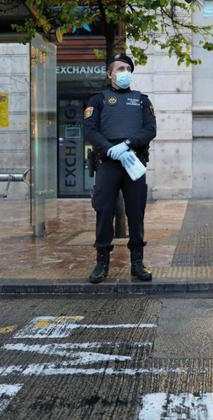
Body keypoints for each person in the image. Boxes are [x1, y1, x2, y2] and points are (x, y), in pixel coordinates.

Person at [84, 53, 156, 283]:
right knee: (104, 211)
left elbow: (150, 129)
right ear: (109, 74)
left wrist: (127, 144)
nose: (124, 72)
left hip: (133, 162)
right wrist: (108, 148)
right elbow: (90, 129)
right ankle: (102, 262)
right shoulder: (98, 99)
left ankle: (137, 262)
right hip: (108, 163)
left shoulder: (142, 100)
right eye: (120, 69)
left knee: (136, 212)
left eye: (128, 69)